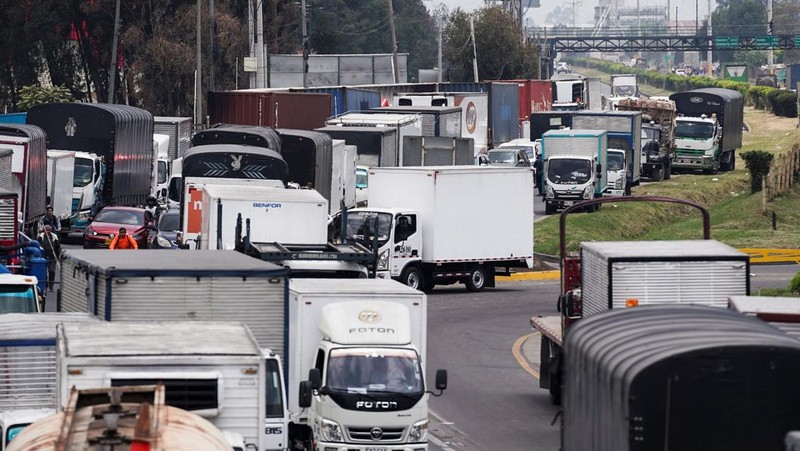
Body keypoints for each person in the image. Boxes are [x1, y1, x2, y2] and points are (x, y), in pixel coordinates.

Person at [37, 225, 61, 291]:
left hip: (52, 257)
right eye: (46, 230)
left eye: (49, 230)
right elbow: (38, 246)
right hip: (43, 257)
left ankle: (51, 286)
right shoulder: (40, 237)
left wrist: (57, 256)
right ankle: (45, 286)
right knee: (44, 272)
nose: (47, 231)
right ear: (44, 230)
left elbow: (58, 247)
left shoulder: (54, 237)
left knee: (52, 271)